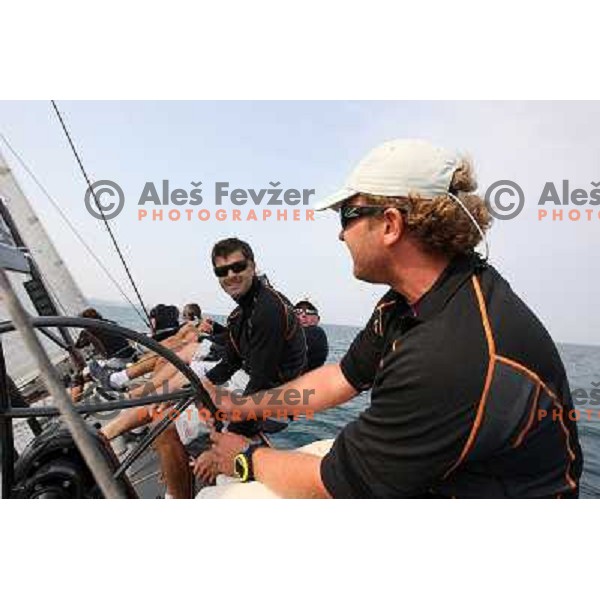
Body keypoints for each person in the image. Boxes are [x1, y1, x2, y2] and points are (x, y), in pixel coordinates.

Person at [205, 138, 584, 499]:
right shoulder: (407, 302)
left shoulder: (447, 353)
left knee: (224, 497)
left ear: (390, 224)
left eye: (347, 215)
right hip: (441, 473)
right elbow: (341, 378)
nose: (340, 235)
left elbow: (339, 486)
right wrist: (244, 407)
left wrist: (244, 457)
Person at [103, 238, 307, 498]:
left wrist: (223, 446)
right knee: (167, 410)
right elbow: (228, 364)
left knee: (164, 427)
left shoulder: (268, 311)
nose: (231, 275)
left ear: (253, 266)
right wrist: (186, 392)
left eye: (238, 267)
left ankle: (178, 497)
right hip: (250, 389)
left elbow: (260, 386)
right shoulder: (238, 316)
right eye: (222, 271)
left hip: (273, 402)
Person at [294, 300, 329, 371]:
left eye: (309, 312)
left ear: (318, 319)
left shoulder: (317, 332)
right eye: (298, 312)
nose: (303, 315)